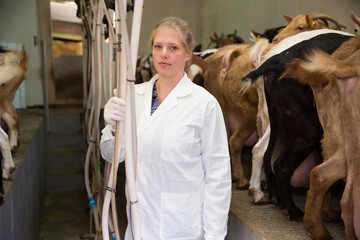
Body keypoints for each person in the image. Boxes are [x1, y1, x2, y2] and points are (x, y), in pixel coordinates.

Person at [100, 16, 231, 240]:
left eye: (173, 48)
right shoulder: (134, 96)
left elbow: (218, 178)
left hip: (183, 229)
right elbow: (113, 155)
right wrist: (112, 127)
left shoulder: (204, 105)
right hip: (139, 224)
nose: (164, 54)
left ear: (188, 53)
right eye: (158, 46)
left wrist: (214, 236)